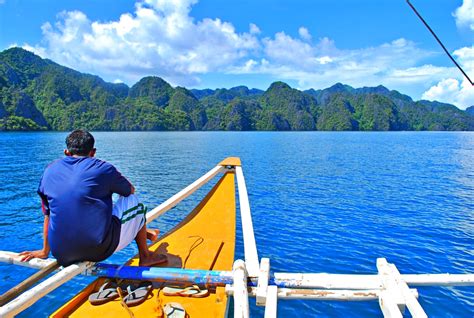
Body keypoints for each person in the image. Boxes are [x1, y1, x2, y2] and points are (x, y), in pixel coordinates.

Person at [20, 129, 166, 267]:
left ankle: (140, 230)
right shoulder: (102, 168)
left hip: (61, 253)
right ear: (93, 152)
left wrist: (45, 251)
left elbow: (48, 215)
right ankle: (145, 256)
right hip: (99, 250)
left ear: (66, 152)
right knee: (135, 203)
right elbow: (130, 190)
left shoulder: (49, 170)